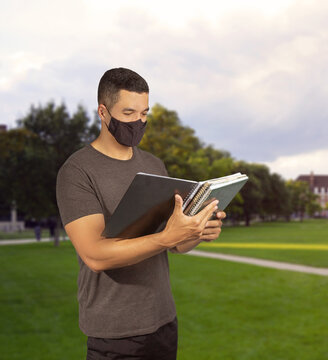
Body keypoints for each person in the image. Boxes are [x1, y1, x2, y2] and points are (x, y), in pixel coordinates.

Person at [56, 67, 226, 360]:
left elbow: (174, 242)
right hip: (115, 331)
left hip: (163, 321)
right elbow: (95, 255)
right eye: (129, 113)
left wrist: (196, 232)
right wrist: (166, 238)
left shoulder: (154, 165)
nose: (138, 122)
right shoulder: (77, 171)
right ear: (103, 111)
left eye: (145, 114)